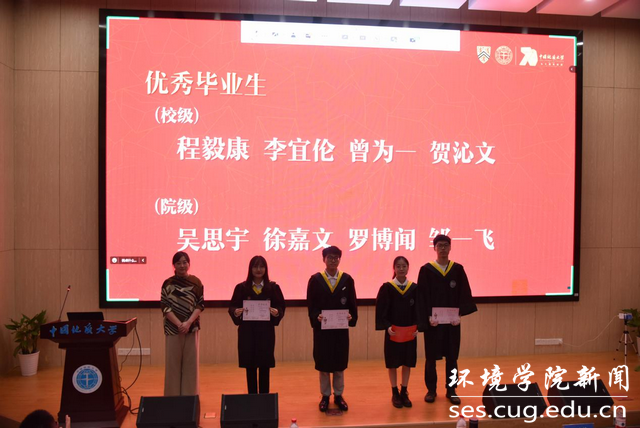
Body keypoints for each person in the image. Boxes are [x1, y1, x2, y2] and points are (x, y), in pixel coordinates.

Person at [418, 235, 477, 405]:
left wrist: (460, 314)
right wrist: (427, 316)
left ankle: (451, 390)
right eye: (439, 245)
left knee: (452, 357)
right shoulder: (426, 270)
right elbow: (422, 296)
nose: (443, 248)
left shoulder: (457, 269)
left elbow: (464, 293)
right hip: (434, 323)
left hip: (452, 323)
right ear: (434, 248)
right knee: (431, 357)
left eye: (445, 245)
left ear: (450, 248)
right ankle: (431, 390)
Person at [307, 246, 358, 412]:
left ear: (339, 260)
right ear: (324, 259)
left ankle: (338, 395)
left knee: (339, 364)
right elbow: (312, 305)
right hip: (322, 330)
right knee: (323, 364)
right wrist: (316, 316)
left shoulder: (347, 280)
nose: (333, 260)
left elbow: (352, 304)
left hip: (340, 331)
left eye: (336, 257)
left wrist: (351, 316)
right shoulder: (315, 280)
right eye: (330, 257)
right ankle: (325, 395)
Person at [229, 255, 286, 394]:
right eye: (255, 266)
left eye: (261, 266)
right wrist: (235, 311)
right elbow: (232, 306)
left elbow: (281, 306)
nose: (258, 269)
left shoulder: (273, 287)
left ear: (266, 269)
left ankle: (265, 398)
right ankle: (252, 397)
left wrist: (277, 312)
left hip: (266, 333)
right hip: (247, 333)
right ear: (250, 269)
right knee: (250, 366)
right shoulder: (242, 288)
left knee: (264, 365)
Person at [375, 256, 418, 408]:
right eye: (398, 266)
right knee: (392, 363)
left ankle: (404, 391)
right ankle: (394, 392)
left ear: (408, 268)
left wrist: (417, 327)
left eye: (404, 266)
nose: (401, 269)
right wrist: (387, 327)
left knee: (407, 362)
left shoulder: (414, 288)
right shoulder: (387, 288)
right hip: (393, 334)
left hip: (409, 334)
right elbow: (381, 311)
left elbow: (419, 311)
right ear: (394, 268)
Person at [161, 251, 204, 396]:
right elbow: (165, 306)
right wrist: (179, 324)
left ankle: (190, 397)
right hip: (172, 329)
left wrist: (188, 323)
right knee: (172, 365)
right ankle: (172, 398)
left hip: (192, 328)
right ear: (173, 265)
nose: (182, 265)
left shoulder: (196, 282)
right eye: (178, 263)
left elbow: (200, 305)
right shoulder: (168, 283)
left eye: (185, 262)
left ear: (189, 264)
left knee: (191, 365)